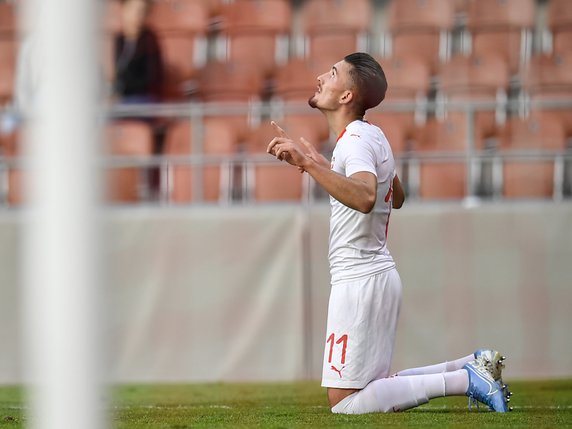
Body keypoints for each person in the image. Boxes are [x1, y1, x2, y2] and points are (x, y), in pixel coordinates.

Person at [267, 52, 511, 414]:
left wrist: (307, 164)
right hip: (375, 275)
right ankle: (471, 365)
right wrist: (321, 165)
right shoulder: (371, 135)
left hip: (360, 280)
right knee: (370, 388)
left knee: (345, 402)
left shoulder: (354, 141)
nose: (321, 76)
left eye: (332, 73)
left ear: (347, 96)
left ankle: (468, 380)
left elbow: (367, 196)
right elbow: (395, 195)